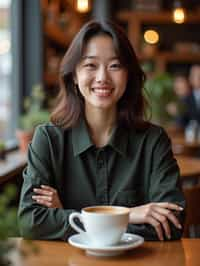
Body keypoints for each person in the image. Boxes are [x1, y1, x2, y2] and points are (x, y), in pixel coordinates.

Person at [18, 20, 185, 242]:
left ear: (128, 75)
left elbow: (172, 224)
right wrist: (131, 215)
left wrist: (69, 214)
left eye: (115, 65)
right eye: (90, 65)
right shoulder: (48, 140)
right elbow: (32, 222)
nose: (102, 78)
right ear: (75, 76)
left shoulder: (153, 141)